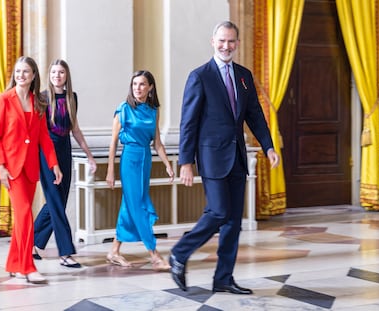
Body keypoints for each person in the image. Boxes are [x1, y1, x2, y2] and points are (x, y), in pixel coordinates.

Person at [169, 21, 280, 294]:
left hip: (238, 159)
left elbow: (254, 114)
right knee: (218, 212)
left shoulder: (243, 75)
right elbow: (188, 123)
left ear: (237, 44)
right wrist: (185, 162)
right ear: (213, 41)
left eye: (231, 41)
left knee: (233, 222)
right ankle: (180, 253)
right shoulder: (200, 76)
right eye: (221, 41)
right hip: (211, 157)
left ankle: (223, 278)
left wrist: (268, 147)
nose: (226, 46)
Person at [0, 56, 63, 284]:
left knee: (23, 218)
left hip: (30, 168)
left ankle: (14, 264)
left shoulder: (38, 103)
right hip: (11, 168)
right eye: (18, 71)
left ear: (33, 76)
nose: (21, 75)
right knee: (24, 217)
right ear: (15, 75)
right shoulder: (3, 100)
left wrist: (54, 164)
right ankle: (28, 267)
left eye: (26, 72)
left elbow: (43, 138)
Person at [106, 70, 174, 271]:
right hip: (129, 160)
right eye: (135, 84)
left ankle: (114, 251)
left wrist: (167, 164)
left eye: (142, 84)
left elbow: (158, 144)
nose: (138, 88)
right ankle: (154, 254)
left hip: (146, 161)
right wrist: (110, 170)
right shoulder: (124, 109)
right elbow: (113, 143)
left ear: (150, 87)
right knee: (138, 206)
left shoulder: (154, 110)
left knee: (130, 205)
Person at [33, 59, 97, 268]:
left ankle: (31, 242)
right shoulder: (41, 98)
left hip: (65, 151)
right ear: (49, 75)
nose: (57, 76)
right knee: (56, 202)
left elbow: (75, 129)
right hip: (47, 153)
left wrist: (89, 155)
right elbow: (38, 132)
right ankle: (65, 252)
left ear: (66, 75)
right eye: (54, 72)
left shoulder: (72, 98)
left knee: (56, 201)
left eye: (61, 72)